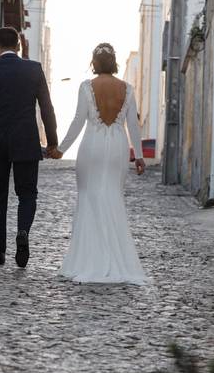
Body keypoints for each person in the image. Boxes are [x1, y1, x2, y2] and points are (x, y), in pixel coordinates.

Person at [51, 43, 148, 284]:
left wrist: (62, 149)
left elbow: (77, 121)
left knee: (89, 197)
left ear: (94, 63)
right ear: (114, 62)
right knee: (113, 196)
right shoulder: (128, 89)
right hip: (117, 146)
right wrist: (139, 155)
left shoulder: (86, 87)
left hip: (92, 145)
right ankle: (115, 258)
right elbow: (133, 126)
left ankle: (87, 259)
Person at [0, 27, 58, 268]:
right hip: (26, 140)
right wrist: (52, 142)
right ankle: (23, 232)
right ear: (19, 46)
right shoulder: (33, 69)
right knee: (27, 193)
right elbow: (46, 108)